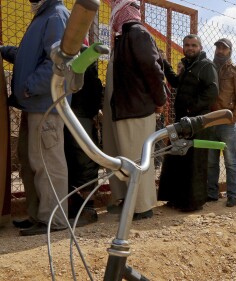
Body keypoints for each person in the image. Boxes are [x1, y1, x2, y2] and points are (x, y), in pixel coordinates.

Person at [0, 0, 70, 236]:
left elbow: (58, 61)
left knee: (47, 163)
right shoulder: (43, 15)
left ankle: (54, 220)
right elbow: (29, 56)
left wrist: (28, 87)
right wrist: (5, 51)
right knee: (30, 161)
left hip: (45, 103)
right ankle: (38, 216)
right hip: (33, 103)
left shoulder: (56, 15)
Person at [104, 0, 167, 220]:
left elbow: (153, 70)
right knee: (125, 158)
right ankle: (128, 202)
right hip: (126, 108)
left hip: (137, 109)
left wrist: (160, 99)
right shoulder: (123, 38)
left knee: (137, 160)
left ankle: (142, 208)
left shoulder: (137, 34)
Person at [158, 34, 218, 212]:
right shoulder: (189, 66)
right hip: (182, 121)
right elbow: (176, 82)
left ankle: (192, 202)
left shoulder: (206, 66)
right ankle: (176, 198)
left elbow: (212, 91)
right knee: (176, 158)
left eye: (193, 45)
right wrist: (165, 63)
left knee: (194, 162)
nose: (190, 48)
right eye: (187, 45)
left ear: (200, 47)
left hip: (197, 122)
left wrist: (193, 110)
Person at [206, 38, 236, 207]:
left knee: (230, 161)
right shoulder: (209, 67)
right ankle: (211, 193)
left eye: (224, 48)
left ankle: (232, 195)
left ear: (229, 51)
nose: (220, 51)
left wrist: (233, 117)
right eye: (218, 48)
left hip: (227, 122)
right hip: (210, 120)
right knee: (211, 160)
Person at [64, 44, 103, 226]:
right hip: (72, 113)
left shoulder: (84, 53)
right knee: (74, 159)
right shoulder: (66, 52)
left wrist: (93, 113)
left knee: (83, 159)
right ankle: (78, 208)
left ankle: (88, 210)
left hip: (80, 114)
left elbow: (94, 87)